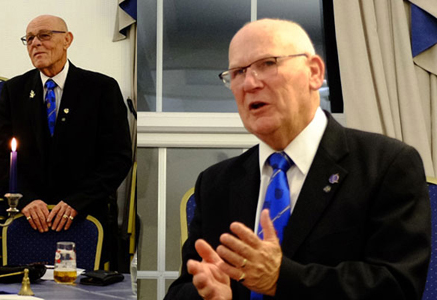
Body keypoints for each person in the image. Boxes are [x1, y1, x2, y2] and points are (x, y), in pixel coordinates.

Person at [165, 19, 430, 299]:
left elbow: (396, 286)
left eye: (267, 63)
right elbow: (183, 289)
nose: (250, 83)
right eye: (238, 72)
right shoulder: (216, 183)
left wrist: (281, 279)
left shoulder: (386, 164)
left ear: (314, 73)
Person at [0, 15, 132, 260]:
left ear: (67, 40)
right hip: (29, 218)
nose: (35, 43)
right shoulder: (14, 90)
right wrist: (26, 199)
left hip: (87, 216)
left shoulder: (101, 88)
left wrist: (77, 202)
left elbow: (118, 157)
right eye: (29, 38)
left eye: (44, 35)